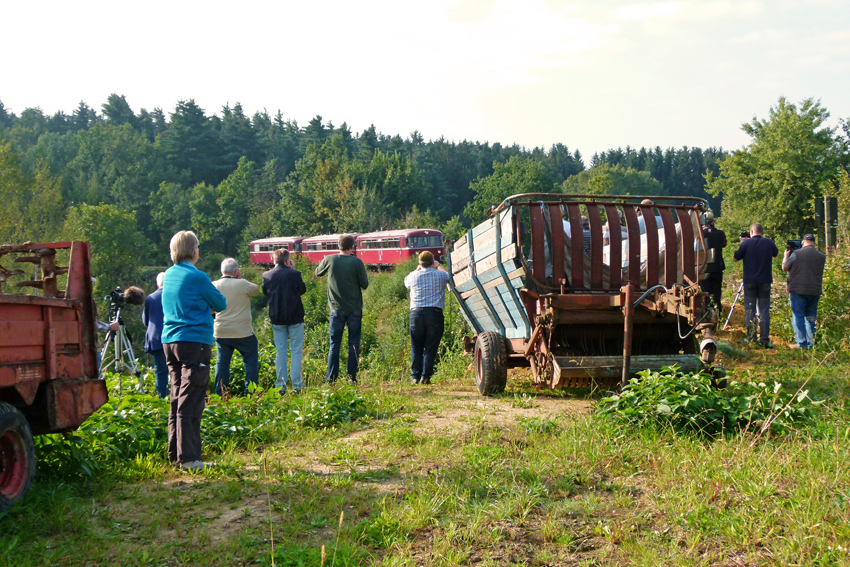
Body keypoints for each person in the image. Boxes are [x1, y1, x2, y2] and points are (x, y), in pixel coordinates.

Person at [161, 231, 227, 471]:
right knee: (191, 400)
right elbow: (221, 303)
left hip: (170, 342)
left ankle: (174, 453)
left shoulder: (168, 275)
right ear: (193, 250)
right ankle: (189, 459)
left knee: (177, 397)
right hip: (194, 342)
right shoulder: (198, 277)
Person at [315, 234, 369, 384]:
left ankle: (331, 378)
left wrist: (325, 260)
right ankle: (352, 377)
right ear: (352, 246)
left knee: (334, 344)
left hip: (336, 309)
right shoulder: (357, 262)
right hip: (354, 308)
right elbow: (365, 285)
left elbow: (317, 272)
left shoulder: (330, 259)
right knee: (353, 343)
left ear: (338, 245)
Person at [212, 258, 260, 396]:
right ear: (237, 271)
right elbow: (256, 290)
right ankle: (250, 392)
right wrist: (241, 278)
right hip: (243, 332)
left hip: (221, 331)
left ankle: (220, 392)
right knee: (250, 361)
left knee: (222, 363)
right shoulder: (243, 284)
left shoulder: (213, 285)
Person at [263, 248, 306, 394]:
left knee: (281, 351)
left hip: (277, 318)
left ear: (273, 260)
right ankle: (297, 385)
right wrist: (293, 270)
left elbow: (265, 292)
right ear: (288, 261)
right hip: (295, 317)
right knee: (296, 351)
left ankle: (280, 385)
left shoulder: (267, 275)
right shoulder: (295, 274)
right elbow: (302, 290)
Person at [404, 251, 451, 385]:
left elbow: (406, 283)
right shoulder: (441, 275)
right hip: (434, 313)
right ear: (432, 262)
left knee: (416, 346)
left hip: (416, 314)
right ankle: (426, 377)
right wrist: (439, 265)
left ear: (420, 263)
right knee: (430, 347)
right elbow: (451, 277)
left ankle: (415, 377)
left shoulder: (412, 276)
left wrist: (417, 269)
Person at [733, 223, 778, 347]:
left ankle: (752, 337)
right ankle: (764, 339)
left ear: (751, 232)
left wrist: (743, 243)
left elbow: (736, 258)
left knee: (750, 309)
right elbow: (776, 255)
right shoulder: (769, 243)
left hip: (750, 281)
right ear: (762, 232)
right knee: (764, 310)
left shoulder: (746, 244)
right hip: (765, 281)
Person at [782, 234, 826, 349]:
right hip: (814, 290)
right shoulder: (822, 256)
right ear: (814, 243)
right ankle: (812, 342)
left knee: (798, 316)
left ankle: (802, 343)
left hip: (798, 290)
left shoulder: (796, 254)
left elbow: (785, 267)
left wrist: (786, 256)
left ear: (803, 243)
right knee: (811, 317)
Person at [142, 272, 168, 398]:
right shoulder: (175, 295)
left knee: (160, 371)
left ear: (158, 285)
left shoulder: (151, 298)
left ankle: (161, 398)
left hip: (156, 338)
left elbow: (145, 320)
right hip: (173, 338)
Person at [700, 212, 727, 311]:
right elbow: (724, 244)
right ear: (713, 222)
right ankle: (718, 311)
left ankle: (708, 312)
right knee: (717, 293)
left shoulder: (700, 234)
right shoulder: (720, 233)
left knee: (706, 293)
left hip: (704, 268)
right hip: (717, 267)